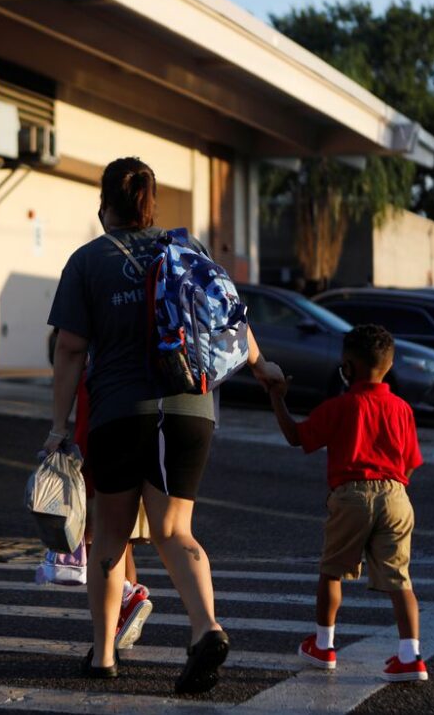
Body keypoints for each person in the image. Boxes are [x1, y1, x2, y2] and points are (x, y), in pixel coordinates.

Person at [44, 156, 283, 694]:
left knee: (109, 534)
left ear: (106, 203)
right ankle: (206, 628)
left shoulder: (87, 261)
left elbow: (70, 347)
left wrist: (59, 424)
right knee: (176, 530)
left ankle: (104, 655)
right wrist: (261, 366)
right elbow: (230, 319)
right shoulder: (187, 249)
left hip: (118, 412)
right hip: (189, 410)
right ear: (151, 204)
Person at [266, 324, 429, 683]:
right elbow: (410, 462)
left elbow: (296, 437)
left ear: (349, 367)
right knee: (400, 579)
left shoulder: (340, 406)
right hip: (398, 496)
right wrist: (393, 490)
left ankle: (324, 645)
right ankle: (411, 654)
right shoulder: (402, 409)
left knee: (332, 570)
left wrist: (277, 397)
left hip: (353, 494)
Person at [47, 328, 153, 649]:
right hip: (133, 420)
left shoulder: (90, 345)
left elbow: (67, 352)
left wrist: (65, 438)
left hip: (96, 431)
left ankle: (124, 598)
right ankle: (125, 608)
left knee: (95, 531)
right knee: (119, 531)